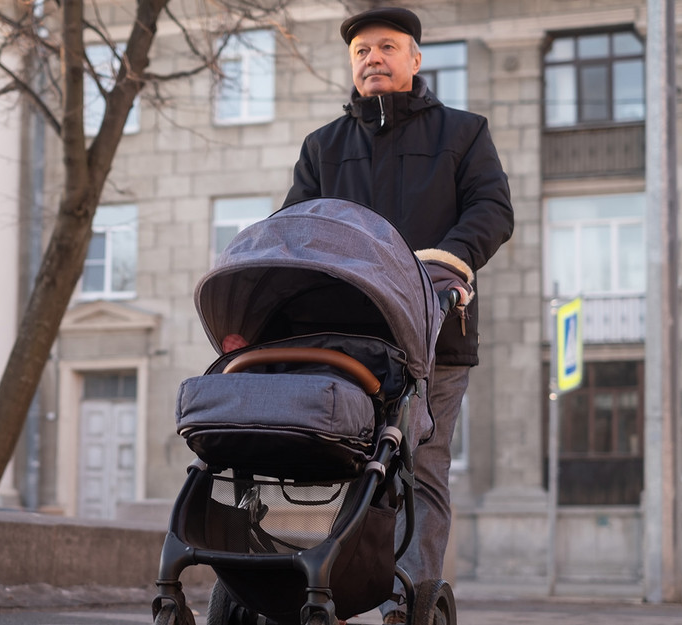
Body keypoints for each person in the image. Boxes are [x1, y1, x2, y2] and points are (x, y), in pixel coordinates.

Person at [282, 7, 514, 624]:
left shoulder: (463, 134)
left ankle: (405, 601)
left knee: (421, 469)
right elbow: (296, 229)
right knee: (345, 460)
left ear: (415, 59)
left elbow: (492, 208)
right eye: (362, 50)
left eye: (387, 47)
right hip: (348, 339)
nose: (373, 58)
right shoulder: (323, 147)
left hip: (438, 334)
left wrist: (449, 264)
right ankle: (326, 588)